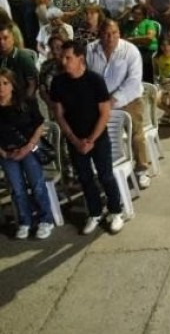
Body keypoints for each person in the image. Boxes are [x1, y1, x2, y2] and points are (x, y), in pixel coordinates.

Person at [51, 39, 125, 235]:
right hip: (74, 139)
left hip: (97, 137)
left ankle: (116, 210)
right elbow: (58, 114)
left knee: (105, 175)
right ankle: (94, 212)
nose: (64, 61)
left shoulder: (95, 80)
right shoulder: (58, 82)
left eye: (68, 58)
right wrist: (75, 140)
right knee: (85, 178)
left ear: (80, 58)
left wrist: (91, 140)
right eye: (62, 57)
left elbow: (105, 112)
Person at [86, 19, 151, 189]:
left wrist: (113, 100)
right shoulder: (90, 50)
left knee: (136, 134)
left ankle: (142, 169)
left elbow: (134, 80)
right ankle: (107, 170)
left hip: (128, 99)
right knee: (100, 136)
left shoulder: (130, 51)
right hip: (99, 102)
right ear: (100, 34)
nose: (110, 37)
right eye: (106, 33)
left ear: (119, 34)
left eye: (114, 33)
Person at [0, 68, 54, 240]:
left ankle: (46, 219)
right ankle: (25, 220)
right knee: (17, 189)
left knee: (37, 185)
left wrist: (28, 146)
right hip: (7, 153)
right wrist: (3, 152)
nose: (1, 87)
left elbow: (39, 125)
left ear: (13, 85)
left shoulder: (25, 102)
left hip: (28, 149)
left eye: (5, 83)